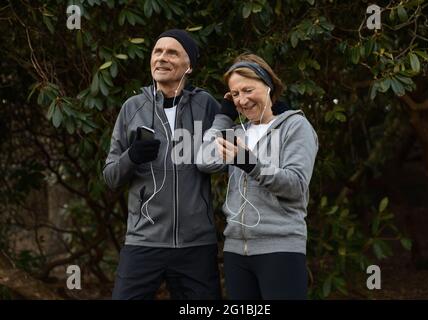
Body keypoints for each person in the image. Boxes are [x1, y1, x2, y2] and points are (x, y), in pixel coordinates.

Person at [103, 29, 222, 300]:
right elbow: (110, 177)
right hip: (144, 241)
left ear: (189, 65)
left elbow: (230, 156)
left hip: (196, 245)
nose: (162, 58)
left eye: (172, 52)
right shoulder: (132, 108)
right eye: (157, 51)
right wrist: (131, 157)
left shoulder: (206, 106)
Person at [197, 53, 319, 299]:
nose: (242, 100)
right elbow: (204, 161)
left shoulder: (295, 127)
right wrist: (223, 115)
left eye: (247, 90)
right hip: (235, 252)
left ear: (268, 86)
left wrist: (248, 162)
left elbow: (295, 185)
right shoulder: (235, 133)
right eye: (235, 94)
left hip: (281, 247)